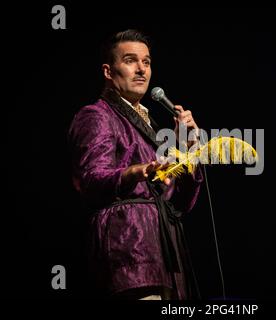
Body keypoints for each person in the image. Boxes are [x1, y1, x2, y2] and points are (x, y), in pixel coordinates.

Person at [68, 29, 203, 300]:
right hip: (129, 251)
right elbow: (90, 180)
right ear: (108, 71)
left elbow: (181, 203)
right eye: (130, 60)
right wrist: (134, 172)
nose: (141, 69)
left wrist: (188, 152)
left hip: (165, 255)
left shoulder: (152, 127)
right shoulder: (97, 115)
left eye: (147, 62)